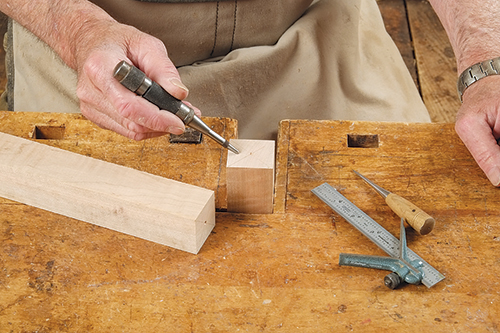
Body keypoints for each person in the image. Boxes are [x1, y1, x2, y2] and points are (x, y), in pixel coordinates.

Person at [0, 0, 497, 186]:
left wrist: (486, 62)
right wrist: (75, 29)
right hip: (93, 34)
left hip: (312, 21)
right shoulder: (83, 34)